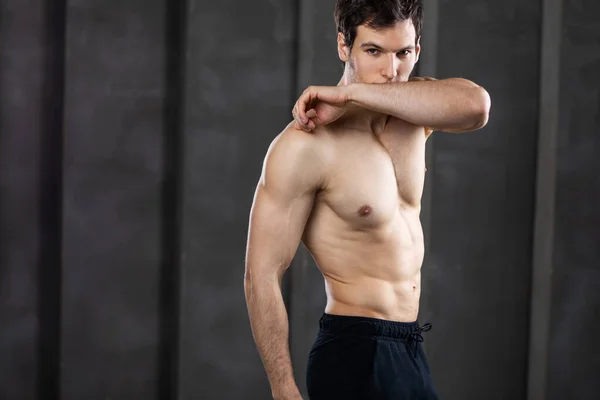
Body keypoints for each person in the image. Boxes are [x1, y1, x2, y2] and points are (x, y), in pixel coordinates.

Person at [244, 0, 491, 398]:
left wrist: (351, 96)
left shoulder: (414, 114)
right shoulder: (306, 146)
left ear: (417, 50)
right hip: (355, 349)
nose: (391, 71)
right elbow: (261, 275)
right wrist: (282, 387)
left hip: (409, 347)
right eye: (373, 51)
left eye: (403, 53)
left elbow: (476, 107)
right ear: (344, 47)